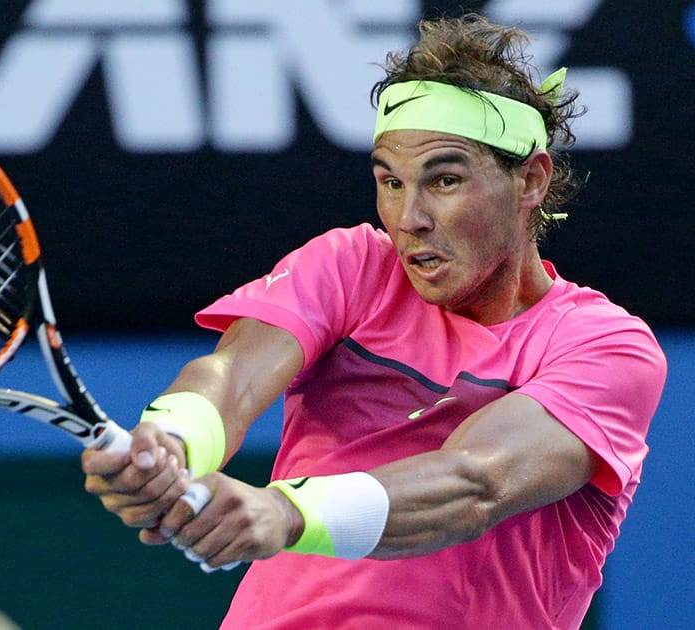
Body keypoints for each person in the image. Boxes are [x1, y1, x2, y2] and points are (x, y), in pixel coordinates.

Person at [81, 14, 667, 629]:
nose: (408, 216)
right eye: (390, 181)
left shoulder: (607, 348)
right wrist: (172, 441)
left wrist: (286, 513)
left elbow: (476, 483)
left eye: (444, 180)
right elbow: (232, 375)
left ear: (530, 179)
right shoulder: (350, 265)